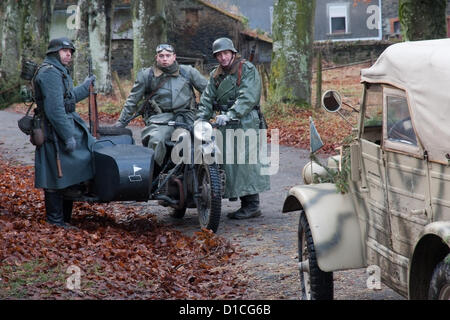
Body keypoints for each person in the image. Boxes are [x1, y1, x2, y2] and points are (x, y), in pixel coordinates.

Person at [196, 37, 270, 219]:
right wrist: (201, 119)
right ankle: (241, 201)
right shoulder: (216, 74)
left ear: (233, 53)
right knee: (228, 163)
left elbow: (248, 97)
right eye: (219, 55)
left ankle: (252, 205)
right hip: (224, 123)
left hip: (246, 121)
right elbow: (206, 99)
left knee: (246, 163)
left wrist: (231, 114)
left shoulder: (247, 69)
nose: (223, 57)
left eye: (225, 53)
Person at [33, 37, 96, 228]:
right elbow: (54, 109)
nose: (68, 54)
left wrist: (85, 87)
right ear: (54, 53)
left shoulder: (59, 71)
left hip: (62, 125)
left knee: (68, 171)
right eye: (64, 51)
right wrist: (68, 135)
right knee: (54, 174)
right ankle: (56, 220)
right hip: (54, 129)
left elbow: (68, 98)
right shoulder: (50, 73)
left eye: (70, 51)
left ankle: (64, 219)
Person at [114, 44, 208, 170]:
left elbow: (208, 92)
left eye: (168, 56)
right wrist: (121, 122)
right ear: (156, 57)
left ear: (174, 57)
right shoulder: (147, 75)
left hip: (188, 116)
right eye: (161, 56)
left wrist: (206, 112)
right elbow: (132, 100)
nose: (165, 59)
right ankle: (155, 174)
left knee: (205, 138)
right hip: (160, 120)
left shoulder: (188, 72)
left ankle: (205, 174)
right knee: (157, 140)